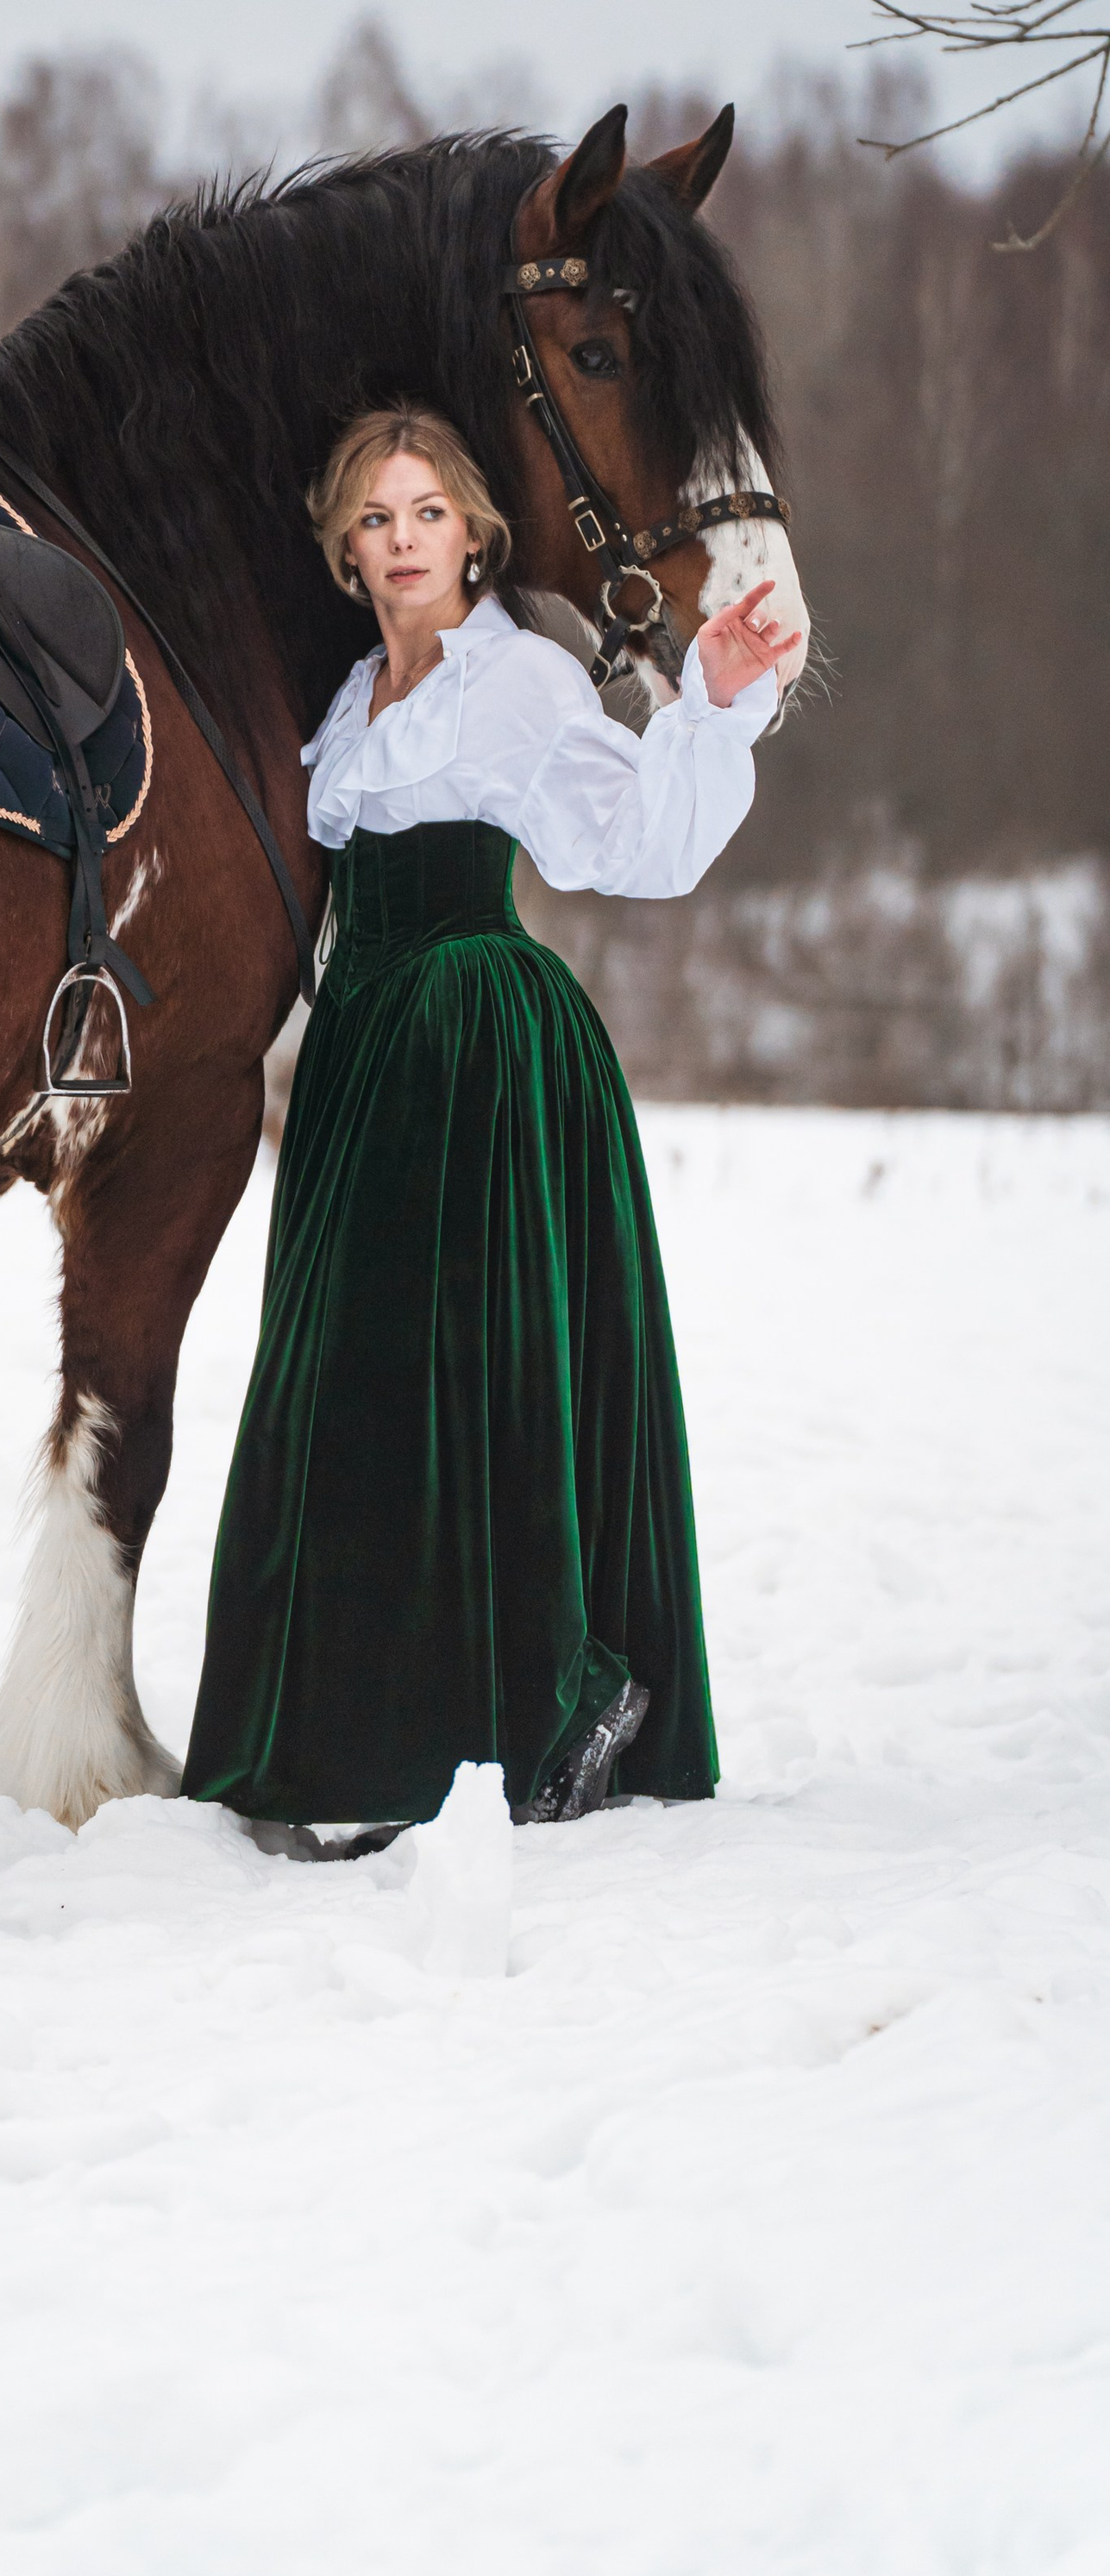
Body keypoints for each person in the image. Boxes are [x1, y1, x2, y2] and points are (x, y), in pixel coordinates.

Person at [180, 404, 800, 1856]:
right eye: (376, 519)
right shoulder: (351, 701)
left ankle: (541, 1706)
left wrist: (711, 711)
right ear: (345, 549)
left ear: (475, 534)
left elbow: (636, 845)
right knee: (344, 1390)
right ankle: (351, 1730)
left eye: (428, 515)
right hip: (361, 1059)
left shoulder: (517, 680)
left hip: (474, 1043)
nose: (403, 543)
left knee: (459, 1383)